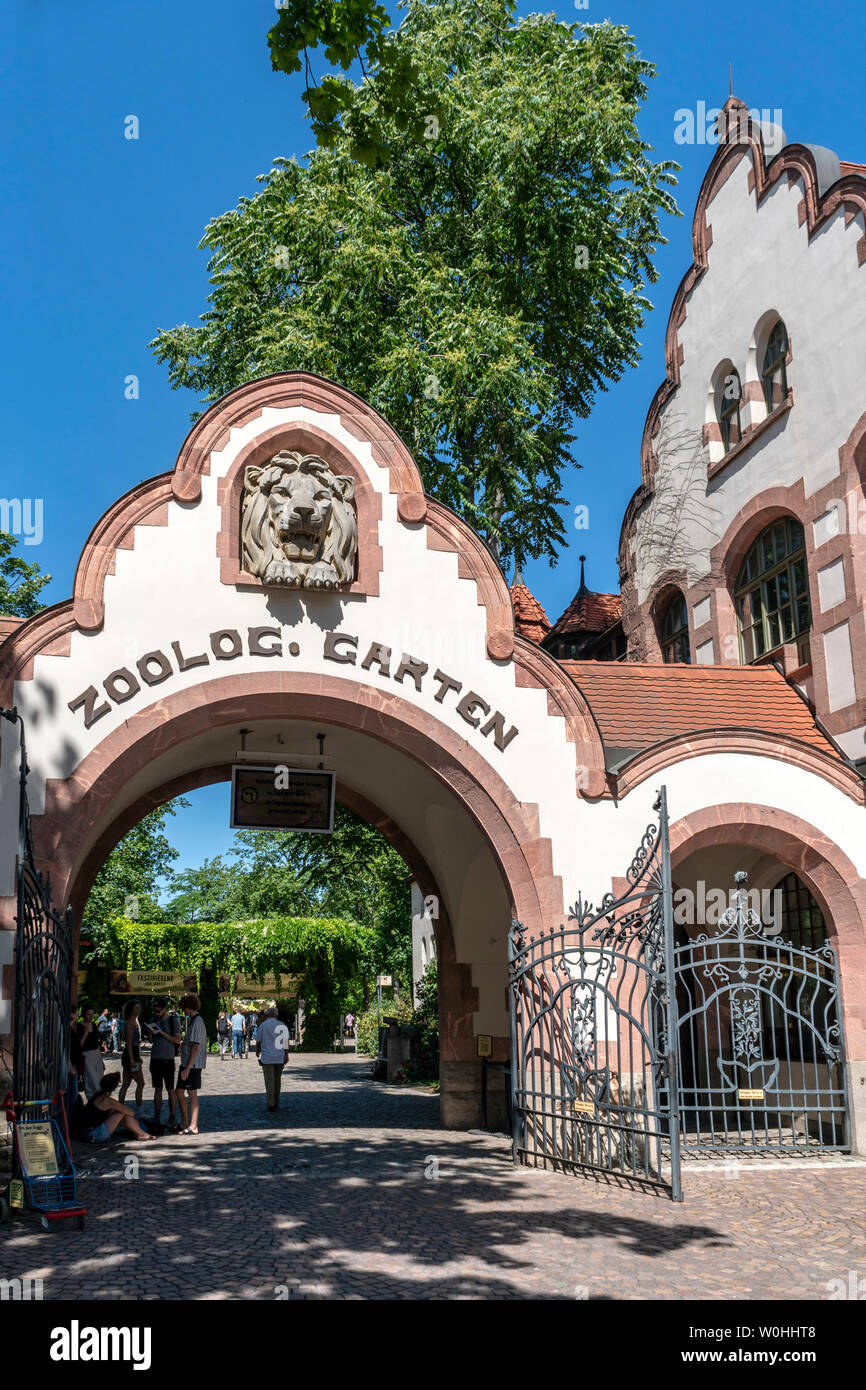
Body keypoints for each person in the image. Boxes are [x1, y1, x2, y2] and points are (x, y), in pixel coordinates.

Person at [80, 1073, 156, 1143]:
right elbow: (131, 1112)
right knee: (122, 1112)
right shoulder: (108, 1101)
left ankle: (138, 1133)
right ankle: (142, 1133)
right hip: (94, 1135)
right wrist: (120, 1108)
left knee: (120, 1113)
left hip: (86, 1133)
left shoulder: (97, 1096)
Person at [147, 997, 182, 1132]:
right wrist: (150, 1033)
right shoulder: (154, 1020)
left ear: (164, 1009)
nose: (156, 1012)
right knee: (157, 1088)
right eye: (155, 1010)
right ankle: (157, 1116)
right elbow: (151, 1041)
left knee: (170, 1089)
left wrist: (162, 1032)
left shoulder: (173, 1021)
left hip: (167, 1059)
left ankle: (172, 1116)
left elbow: (177, 1040)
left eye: (158, 1010)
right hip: (155, 1058)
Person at [177, 993, 207, 1134]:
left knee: (192, 1093)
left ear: (189, 1007)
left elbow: (195, 1047)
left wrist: (187, 1069)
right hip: (188, 1063)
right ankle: (185, 1122)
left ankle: (193, 1125)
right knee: (180, 1091)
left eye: (184, 1008)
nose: (183, 1011)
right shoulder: (194, 1021)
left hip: (192, 1065)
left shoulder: (197, 1022)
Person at [255, 1007, 290, 1113]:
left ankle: (271, 1103)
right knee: (277, 1080)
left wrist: (258, 1050)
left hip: (267, 1057)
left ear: (267, 1014)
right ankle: (276, 1101)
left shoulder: (263, 1025)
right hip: (279, 1056)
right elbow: (285, 1042)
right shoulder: (282, 1025)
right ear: (276, 1014)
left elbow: (258, 1040)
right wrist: (286, 1055)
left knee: (269, 1080)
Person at [118, 999, 144, 1111]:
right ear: (131, 1009)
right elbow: (129, 1043)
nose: (138, 1010)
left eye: (139, 1008)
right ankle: (139, 1109)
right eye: (136, 1008)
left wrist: (137, 1057)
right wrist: (133, 1058)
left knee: (126, 1084)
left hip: (133, 1053)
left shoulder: (134, 1020)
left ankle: (120, 1108)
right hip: (130, 1054)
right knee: (141, 1083)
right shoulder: (130, 1022)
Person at [75, 1005, 104, 1100]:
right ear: (83, 1014)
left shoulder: (94, 1025)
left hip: (96, 1054)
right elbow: (78, 1045)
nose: (91, 1016)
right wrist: (86, 1033)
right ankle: (92, 1100)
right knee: (91, 1080)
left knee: (100, 1079)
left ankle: (99, 1101)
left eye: (92, 1014)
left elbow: (97, 1043)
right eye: (88, 1014)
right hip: (86, 1055)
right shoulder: (79, 1026)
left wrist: (100, 1058)